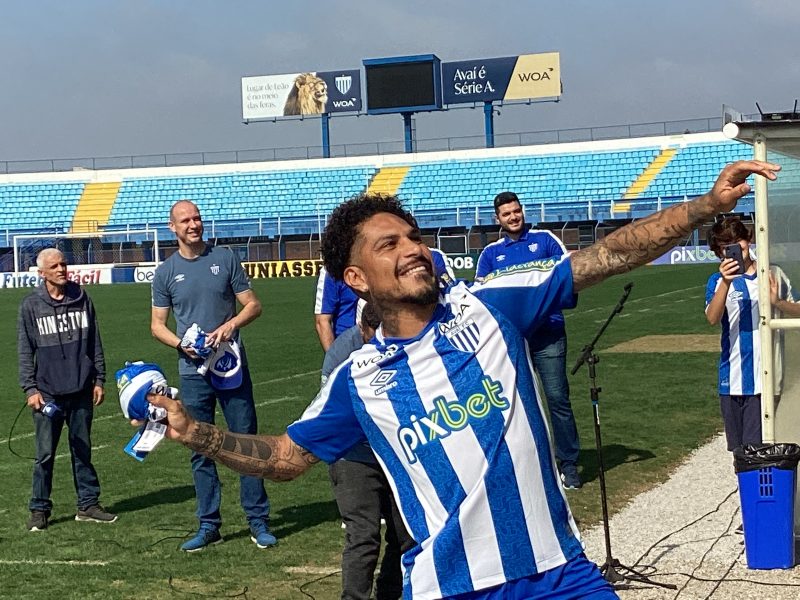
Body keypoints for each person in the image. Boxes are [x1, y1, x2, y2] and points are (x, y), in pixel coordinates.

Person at [146, 160, 778, 599]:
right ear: (356, 279)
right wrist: (195, 431)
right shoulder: (357, 380)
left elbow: (604, 256)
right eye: (389, 244)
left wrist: (708, 206)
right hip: (447, 588)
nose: (413, 248)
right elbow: (286, 457)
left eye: (414, 237)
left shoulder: (490, 306)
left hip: (559, 574)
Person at [150, 200, 275, 552]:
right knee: (198, 447)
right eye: (186, 220)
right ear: (172, 228)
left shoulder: (225, 258)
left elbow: (253, 304)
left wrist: (230, 325)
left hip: (231, 368)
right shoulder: (165, 272)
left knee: (246, 442)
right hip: (192, 374)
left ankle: (258, 521)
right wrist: (181, 345)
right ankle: (209, 524)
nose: (194, 225)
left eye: (198, 218)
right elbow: (157, 325)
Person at [475, 191, 582, 489]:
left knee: (557, 399)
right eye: (506, 213)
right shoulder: (490, 254)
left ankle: (569, 463)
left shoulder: (545, 240)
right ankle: (528, 465)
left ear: (522, 211)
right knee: (515, 405)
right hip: (511, 340)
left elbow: (568, 274)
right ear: (497, 219)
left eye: (516, 211)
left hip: (548, 335)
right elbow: (481, 296)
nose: (513, 217)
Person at [18, 248, 116, 531]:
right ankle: (39, 509)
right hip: (47, 393)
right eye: (55, 266)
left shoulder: (82, 299)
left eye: (64, 263)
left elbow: (94, 342)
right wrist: (30, 389)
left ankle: (87, 504)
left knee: (82, 450)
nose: (62, 269)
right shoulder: (31, 306)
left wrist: (99, 379)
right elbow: (25, 351)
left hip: (81, 388)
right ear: (42, 273)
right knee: (45, 455)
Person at [323, 304, 414, 600]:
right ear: (362, 329)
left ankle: (390, 591)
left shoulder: (404, 341)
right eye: (372, 337)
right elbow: (331, 414)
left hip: (396, 451)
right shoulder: (340, 354)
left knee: (407, 534)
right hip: (353, 454)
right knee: (363, 535)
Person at [705, 215, 800, 452]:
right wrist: (726, 283)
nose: (735, 249)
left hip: (764, 379)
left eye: (738, 241)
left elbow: (798, 308)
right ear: (719, 252)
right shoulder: (717, 281)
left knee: (758, 449)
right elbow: (712, 318)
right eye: (726, 246)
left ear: (748, 239)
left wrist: (777, 302)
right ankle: (747, 489)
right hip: (731, 378)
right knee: (739, 451)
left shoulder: (772, 274)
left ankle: (762, 488)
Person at [315, 249, 454, 352]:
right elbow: (323, 321)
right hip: (353, 344)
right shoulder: (331, 270)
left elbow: (450, 297)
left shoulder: (431, 256)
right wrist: (334, 358)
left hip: (405, 339)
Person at [315, 266, 361, 352]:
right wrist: (334, 360)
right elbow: (322, 321)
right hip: (348, 346)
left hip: (381, 344)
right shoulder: (332, 271)